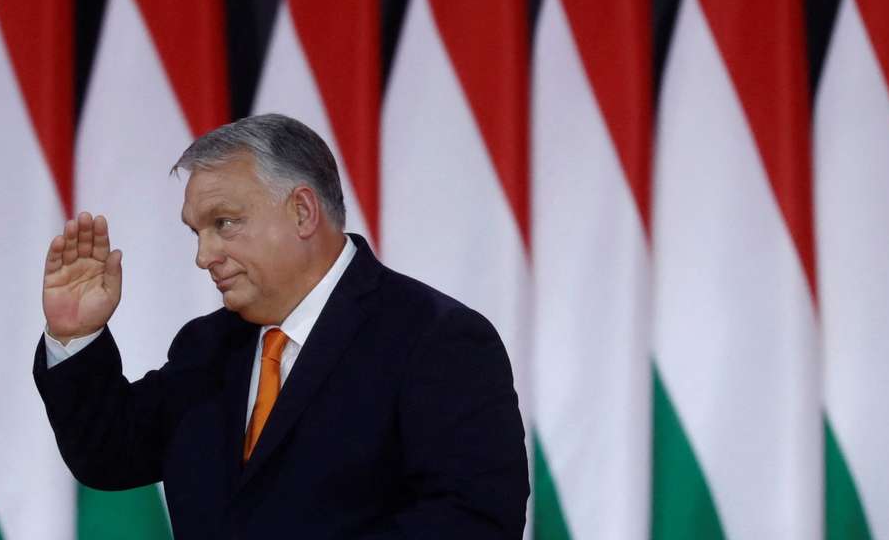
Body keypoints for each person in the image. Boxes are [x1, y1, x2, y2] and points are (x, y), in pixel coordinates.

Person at [33, 113, 529, 538]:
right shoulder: (207, 347)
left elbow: (472, 520)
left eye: (223, 223)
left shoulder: (434, 339)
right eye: (196, 232)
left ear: (302, 211)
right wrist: (75, 334)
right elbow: (108, 455)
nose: (204, 256)